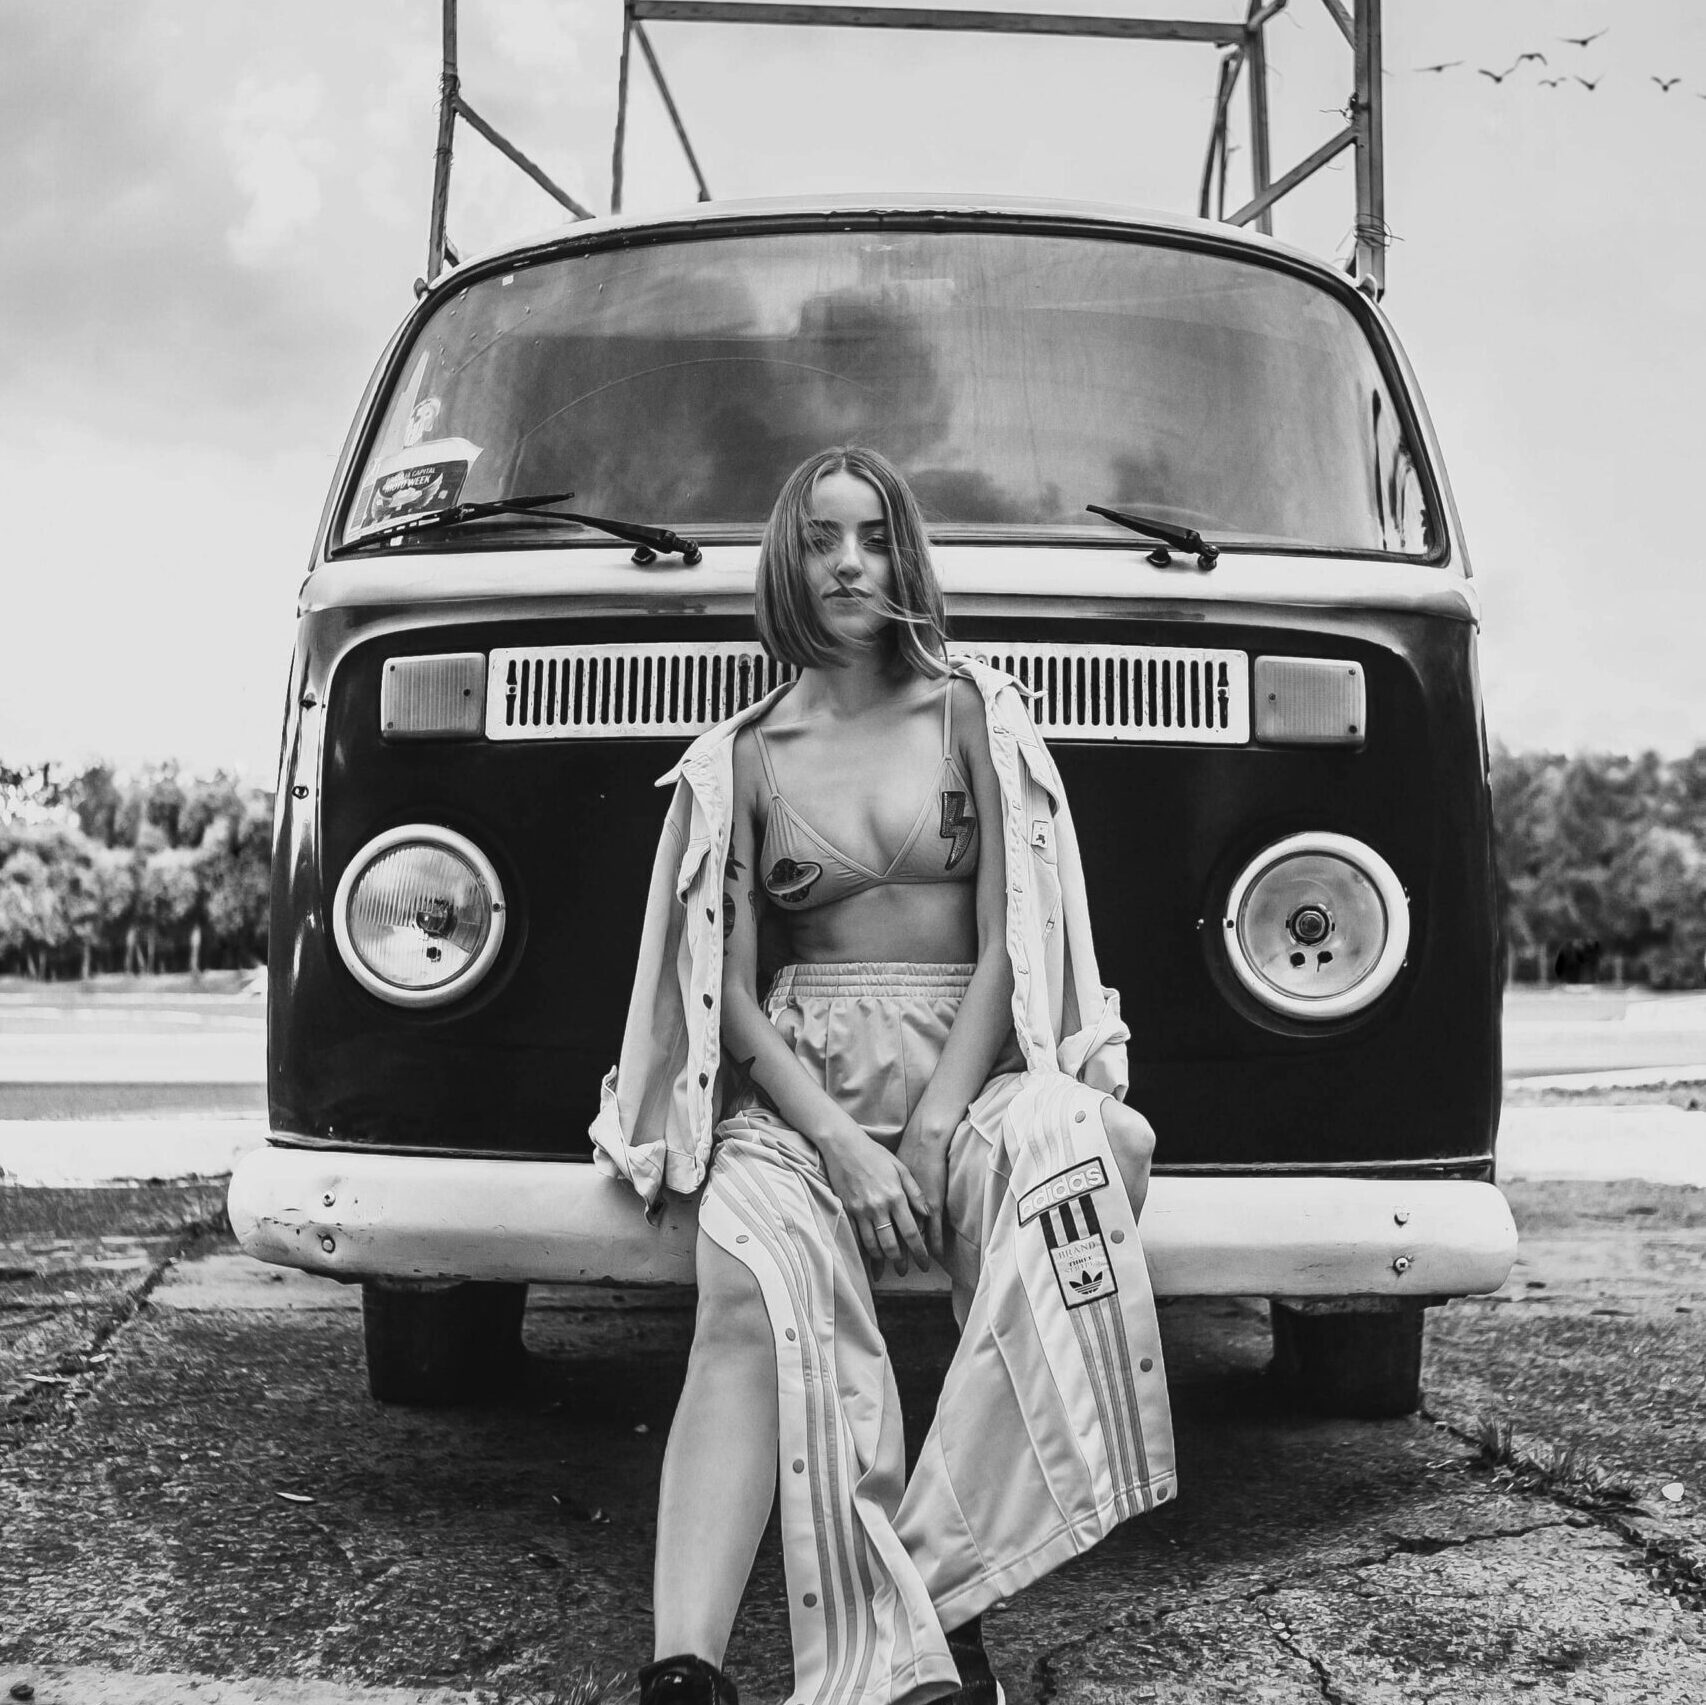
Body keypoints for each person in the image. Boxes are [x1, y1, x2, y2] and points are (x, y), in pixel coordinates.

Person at [590, 446, 1174, 1705]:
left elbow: (1012, 941)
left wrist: (933, 1122)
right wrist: (843, 1143)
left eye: (870, 536)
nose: (847, 561)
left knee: (1085, 1152)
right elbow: (730, 991)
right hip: (803, 1083)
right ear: (786, 564)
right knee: (745, 1293)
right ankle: (681, 1673)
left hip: (963, 1066)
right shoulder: (740, 754)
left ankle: (931, 1589)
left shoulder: (972, 710)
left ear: (906, 553)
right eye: (818, 539)